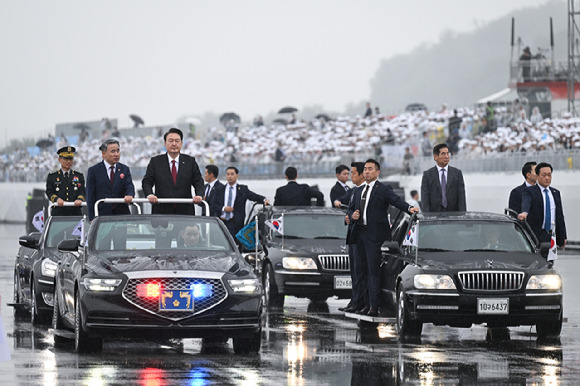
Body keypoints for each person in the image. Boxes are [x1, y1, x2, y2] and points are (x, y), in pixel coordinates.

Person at [348, 159, 419, 316]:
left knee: (373, 272)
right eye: (365, 169)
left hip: (375, 237)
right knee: (362, 271)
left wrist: (409, 208)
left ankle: (374, 305)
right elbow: (350, 210)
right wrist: (351, 215)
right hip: (360, 235)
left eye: (370, 169)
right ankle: (365, 304)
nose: (366, 172)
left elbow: (396, 201)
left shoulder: (383, 189)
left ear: (377, 172)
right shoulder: (359, 191)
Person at [142, 128, 204, 214]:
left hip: (185, 212)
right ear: (165, 143)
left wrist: (199, 195)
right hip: (162, 211)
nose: (174, 144)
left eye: (177, 141)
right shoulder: (155, 162)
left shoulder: (190, 161)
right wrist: (150, 195)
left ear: (181, 143)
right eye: (170, 141)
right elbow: (147, 182)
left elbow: (198, 181)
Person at [333, 162, 366, 313]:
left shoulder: (367, 191)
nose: (350, 176)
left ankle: (360, 302)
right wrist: (348, 217)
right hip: (352, 237)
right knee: (354, 272)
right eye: (348, 173)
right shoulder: (353, 191)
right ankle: (354, 300)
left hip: (362, 239)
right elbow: (349, 209)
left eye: (352, 173)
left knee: (361, 272)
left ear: (361, 174)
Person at [211, 166, 270, 238]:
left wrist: (264, 200)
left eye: (232, 174)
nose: (230, 176)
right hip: (221, 222)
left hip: (235, 222)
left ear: (237, 175)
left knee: (235, 244)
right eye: (228, 174)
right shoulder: (220, 190)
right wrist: (223, 208)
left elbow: (253, 196)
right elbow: (213, 204)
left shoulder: (242, 189)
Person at [518, 162, 567, 248]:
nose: (547, 178)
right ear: (537, 177)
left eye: (549, 175)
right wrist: (524, 213)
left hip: (551, 235)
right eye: (544, 175)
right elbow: (526, 202)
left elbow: (559, 216)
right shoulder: (529, 191)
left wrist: (563, 236)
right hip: (536, 236)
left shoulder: (556, 193)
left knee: (550, 261)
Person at [86, 139, 135, 221]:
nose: (116, 154)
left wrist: (129, 195)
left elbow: (129, 186)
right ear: (103, 153)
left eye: (118, 151)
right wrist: (92, 217)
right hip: (102, 215)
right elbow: (90, 195)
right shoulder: (94, 171)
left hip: (121, 215)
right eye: (113, 151)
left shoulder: (124, 169)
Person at [421, 143, 466, 212]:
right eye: (443, 154)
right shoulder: (427, 175)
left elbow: (461, 198)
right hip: (434, 216)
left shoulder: (457, 173)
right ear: (436, 157)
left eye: (448, 154)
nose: (447, 156)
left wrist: (462, 217)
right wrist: (427, 217)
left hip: (453, 215)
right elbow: (425, 198)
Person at [45, 146, 85, 216]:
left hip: (75, 213)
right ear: (59, 160)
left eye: (70, 159)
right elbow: (49, 191)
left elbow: (82, 191)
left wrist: (80, 199)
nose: (68, 161)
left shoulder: (79, 176)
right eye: (66, 159)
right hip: (58, 213)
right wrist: (56, 199)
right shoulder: (52, 177)